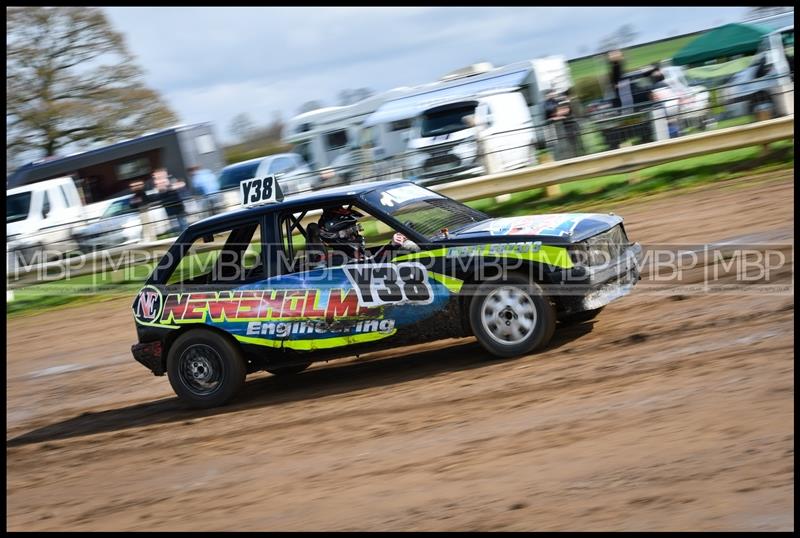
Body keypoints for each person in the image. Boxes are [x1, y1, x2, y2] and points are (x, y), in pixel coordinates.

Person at [316, 206, 417, 266]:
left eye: (356, 231)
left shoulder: (356, 255)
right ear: (338, 237)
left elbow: (372, 259)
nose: (356, 236)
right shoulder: (338, 260)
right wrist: (393, 245)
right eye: (351, 233)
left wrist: (394, 244)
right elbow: (373, 265)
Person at [152, 168, 188, 234]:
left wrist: (171, 186)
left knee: (183, 225)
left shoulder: (171, 181)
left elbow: (182, 184)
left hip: (177, 207)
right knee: (176, 228)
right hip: (170, 208)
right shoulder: (159, 184)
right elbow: (161, 193)